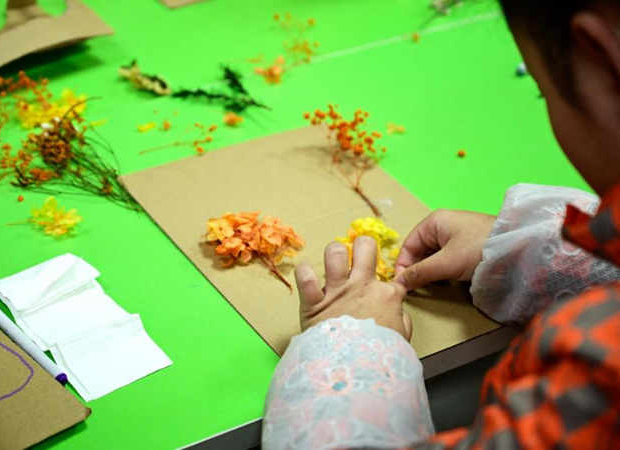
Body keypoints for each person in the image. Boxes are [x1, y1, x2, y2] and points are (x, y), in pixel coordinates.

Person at [262, 0, 620, 447]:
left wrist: (346, 351)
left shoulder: (598, 374)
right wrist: (523, 248)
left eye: (542, 92)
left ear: (604, 59)